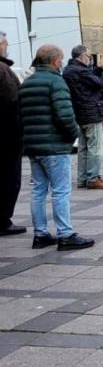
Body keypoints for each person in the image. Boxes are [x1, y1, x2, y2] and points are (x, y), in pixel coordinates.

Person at [19, 45, 94, 250]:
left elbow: (21, 116)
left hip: (34, 146)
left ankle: (40, 233)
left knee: (38, 191)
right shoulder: (56, 81)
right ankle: (66, 233)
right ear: (54, 61)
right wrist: (72, 135)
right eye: (60, 60)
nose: (61, 63)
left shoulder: (27, 83)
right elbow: (65, 115)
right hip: (54, 145)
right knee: (60, 190)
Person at [62, 45, 103, 190]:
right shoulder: (81, 70)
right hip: (91, 112)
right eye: (89, 56)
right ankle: (93, 178)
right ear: (82, 56)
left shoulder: (69, 70)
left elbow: (88, 82)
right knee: (95, 147)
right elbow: (101, 83)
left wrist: (98, 69)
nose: (90, 59)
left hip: (79, 112)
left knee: (83, 147)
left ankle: (83, 178)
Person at [0, 32, 25, 236]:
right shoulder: (3, 71)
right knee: (8, 179)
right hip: (7, 138)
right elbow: (12, 104)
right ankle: (3, 220)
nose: (7, 46)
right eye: (5, 43)